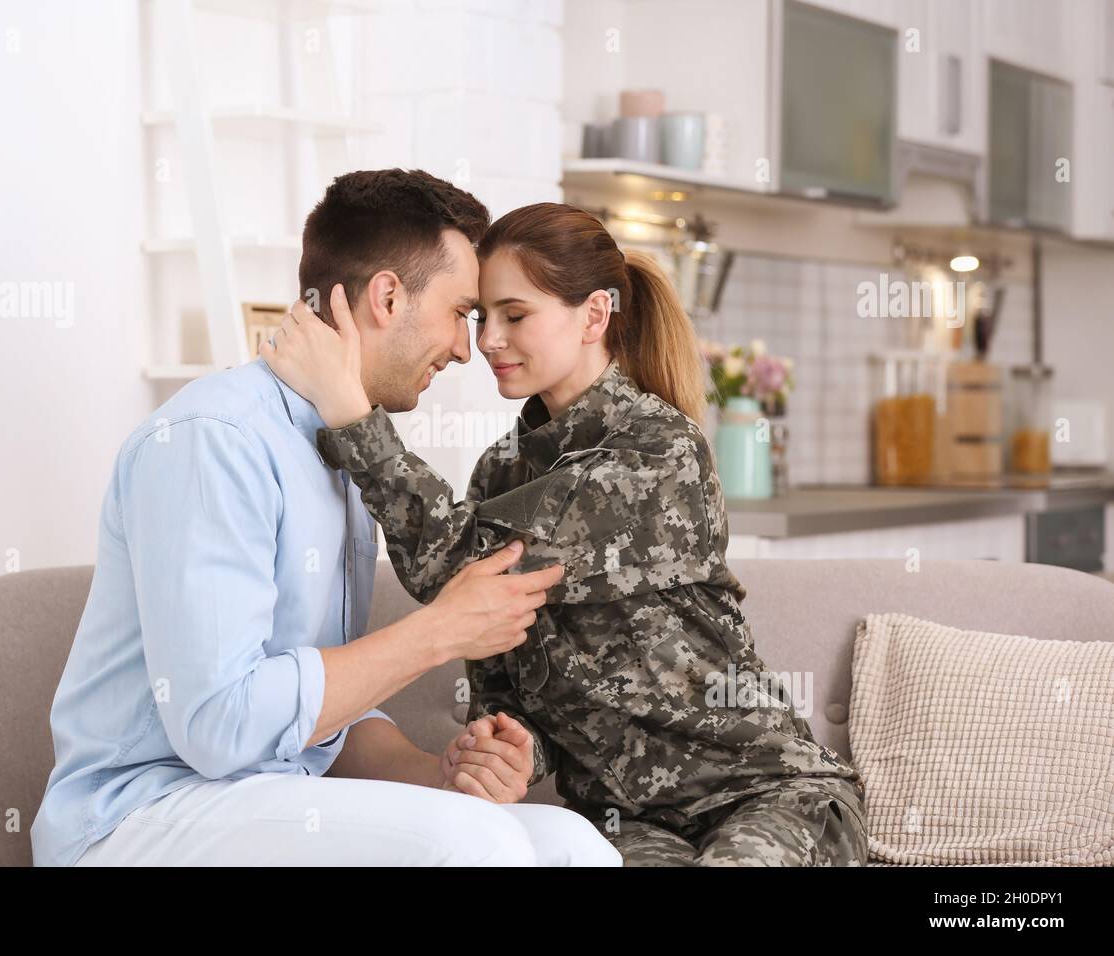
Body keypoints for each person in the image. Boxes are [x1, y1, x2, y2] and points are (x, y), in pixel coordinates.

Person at [29, 170, 622, 867]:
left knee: (570, 845)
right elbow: (222, 725)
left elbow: (314, 726)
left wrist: (441, 774)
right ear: (388, 296)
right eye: (462, 313)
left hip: (267, 803)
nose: (469, 348)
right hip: (137, 818)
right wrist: (437, 632)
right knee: (473, 843)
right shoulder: (214, 438)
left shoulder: (334, 450)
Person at [261, 201, 870, 866]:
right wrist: (512, 745)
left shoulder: (657, 451)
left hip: (765, 797)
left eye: (515, 315)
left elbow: (456, 567)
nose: (488, 339)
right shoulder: (498, 471)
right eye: (479, 316)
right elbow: (500, 660)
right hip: (625, 820)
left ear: (595, 315)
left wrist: (351, 411)